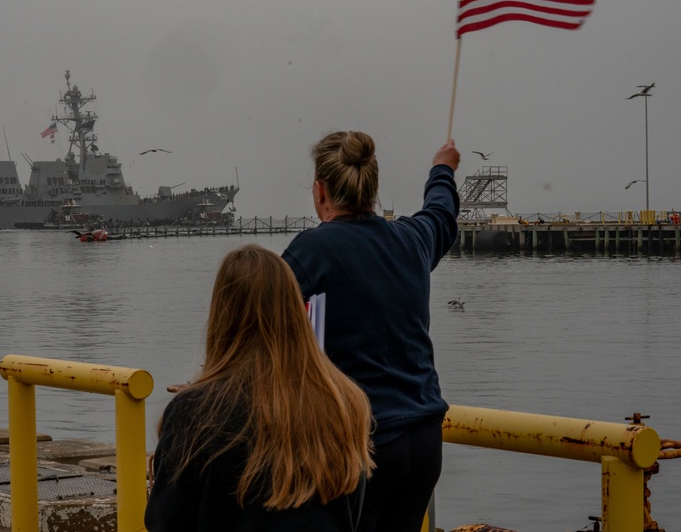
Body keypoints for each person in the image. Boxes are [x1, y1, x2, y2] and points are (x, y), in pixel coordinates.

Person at [282, 131, 460, 532]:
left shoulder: (312, 251)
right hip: (425, 440)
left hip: (363, 445)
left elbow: (258, 319)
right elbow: (441, 213)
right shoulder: (412, 240)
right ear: (372, 187)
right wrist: (442, 169)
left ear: (320, 191)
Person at [145, 244, 375, 531]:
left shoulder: (193, 412)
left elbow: (166, 522)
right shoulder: (347, 402)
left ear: (222, 315)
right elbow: (351, 514)